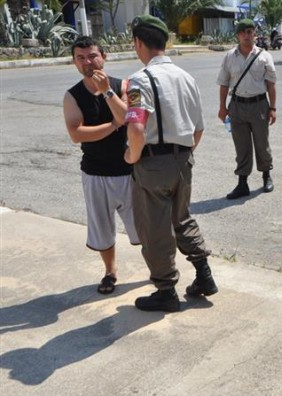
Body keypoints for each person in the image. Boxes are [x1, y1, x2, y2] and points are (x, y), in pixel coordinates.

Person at [123, 15, 218, 312]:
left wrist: (133, 156)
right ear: (165, 42)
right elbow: (198, 128)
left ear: (139, 43)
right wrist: (183, 156)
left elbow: (137, 127)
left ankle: (166, 291)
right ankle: (204, 273)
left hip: (152, 163)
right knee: (182, 217)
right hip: (183, 159)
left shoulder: (140, 79)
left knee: (154, 229)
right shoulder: (186, 78)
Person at [63, 36, 139, 295]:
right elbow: (76, 134)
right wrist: (114, 125)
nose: (88, 62)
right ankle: (110, 272)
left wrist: (107, 92)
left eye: (92, 56)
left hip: (129, 171)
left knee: (143, 226)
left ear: (104, 56)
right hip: (94, 173)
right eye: (81, 58)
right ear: (74, 62)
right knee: (102, 229)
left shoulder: (123, 85)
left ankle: (159, 269)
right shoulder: (72, 95)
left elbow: (130, 119)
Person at [217, 18, 277, 200]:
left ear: (254, 34)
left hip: (259, 105)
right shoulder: (229, 57)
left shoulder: (265, 56)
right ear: (237, 35)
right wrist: (222, 107)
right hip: (237, 106)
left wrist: (273, 107)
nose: (246, 35)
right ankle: (242, 183)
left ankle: (266, 176)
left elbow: (271, 84)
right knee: (241, 146)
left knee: (262, 143)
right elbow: (224, 84)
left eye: (250, 32)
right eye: (243, 32)